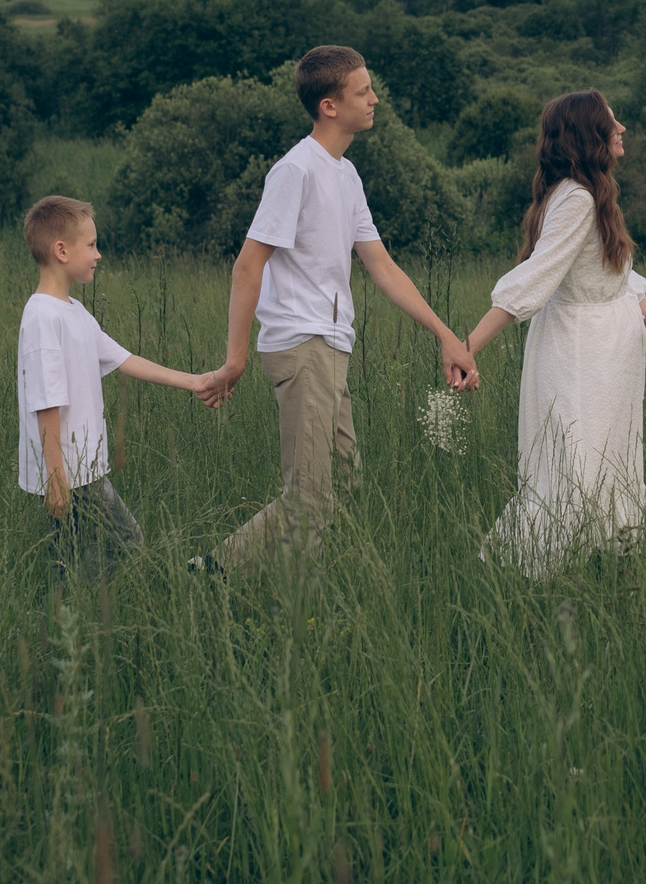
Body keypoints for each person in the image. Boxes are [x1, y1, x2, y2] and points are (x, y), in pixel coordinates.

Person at [203, 45, 479, 572]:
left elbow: (382, 266)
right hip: (301, 344)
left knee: (343, 484)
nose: (375, 99)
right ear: (330, 105)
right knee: (308, 497)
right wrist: (234, 360)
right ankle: (220, 576)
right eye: (363, 91)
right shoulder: (296, 171)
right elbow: (247, 265)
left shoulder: (345, 175)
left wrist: (446, 335)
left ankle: (274, 582)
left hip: (330, 346)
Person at [463, 91, 646, 578]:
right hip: (579, 351)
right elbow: (532, 279)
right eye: (612, 121)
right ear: (589, 134)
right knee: (574, 469)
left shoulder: (592, 196)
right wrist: (466, 349)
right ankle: (520, 576)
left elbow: (621, 290)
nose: (622, 128)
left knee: (608, 463)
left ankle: (602, 570)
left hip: (608, 353)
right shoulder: (576, 199)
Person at [18, 195, 222, 580]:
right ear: (61, 250)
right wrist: (56, 477)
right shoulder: (43, 316)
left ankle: (67, 616)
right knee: (125, 541)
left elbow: (125, 359)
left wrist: (195, 381)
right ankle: (77, 612)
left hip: (82, 471)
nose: (98, 255)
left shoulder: (74, 312)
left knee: (70, 556)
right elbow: (45, 401)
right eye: (91, 245)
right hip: (69, 474)